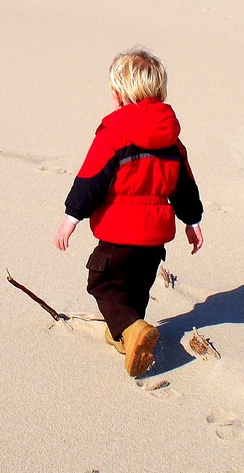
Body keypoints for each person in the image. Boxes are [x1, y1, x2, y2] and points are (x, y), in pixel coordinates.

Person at [55, 48, 203, 376]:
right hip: (155, 236)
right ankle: (123, 335)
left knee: (102, 282)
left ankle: (133, 330)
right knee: (136, 286)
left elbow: (90, 181)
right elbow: (185, 186)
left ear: (118, 94)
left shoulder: (113, 136)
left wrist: (71, 218)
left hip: (119, 231)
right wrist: (192, 222)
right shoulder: (172, 142)